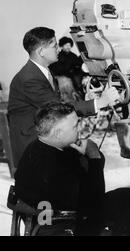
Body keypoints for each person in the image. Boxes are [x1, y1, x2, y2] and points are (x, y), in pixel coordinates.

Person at [14, 102, 130, 235]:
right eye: (75, 126)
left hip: (49, 216)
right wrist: (94, 157)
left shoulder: (37, 147)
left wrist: (90, 156)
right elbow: (93, 201)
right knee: (126, 197)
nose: (79, 129)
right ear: (58, 134)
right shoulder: (54, 164)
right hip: (65, 225)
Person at [8, 27, 119, 166]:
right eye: (54, 46)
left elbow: (56, 103)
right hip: (33, 148)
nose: (58, 49)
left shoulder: (43, 71)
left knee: (91, 155)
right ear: (41, 51)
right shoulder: (29, 79)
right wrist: (100, 102)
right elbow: (58, 108)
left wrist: (90, 99)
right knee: (91, 160)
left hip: (47, 137)